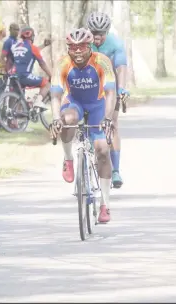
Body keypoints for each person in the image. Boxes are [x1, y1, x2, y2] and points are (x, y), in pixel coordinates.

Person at [49, 28, 117, 223]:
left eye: (82, 47)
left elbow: (110, 92)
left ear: (90, 47)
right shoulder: (62, 63)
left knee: (102, 150)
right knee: (67, 120)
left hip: (98, 105)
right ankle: (69, 158)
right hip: (74, 103)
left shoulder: (102, 61)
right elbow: (55, 95)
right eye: (73, 47)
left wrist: (108, 118)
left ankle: (105, 204)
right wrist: (55, 118)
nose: (77, 52)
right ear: (68, 48)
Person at [87, 11, 129, 189]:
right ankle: (90, 158)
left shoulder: (115, 43)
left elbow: (121, 68)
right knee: (89, 125)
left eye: (101, 35)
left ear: (106, 32)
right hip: (89, 87)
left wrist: (122, 88)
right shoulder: (84, 42)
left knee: (112, 124)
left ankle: (116, 170)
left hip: (110, 87)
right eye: (94, 35)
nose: (97, 39)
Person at [11, 26, 52, 109]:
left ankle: (17, 119)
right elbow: (42, 64)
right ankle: (38, 102)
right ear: (32, 37)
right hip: (25, 76)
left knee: (20, 97)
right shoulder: (32, 48)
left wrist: (43, 45)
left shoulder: (16, 46)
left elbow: (29, 51)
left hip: (14, 76)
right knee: (46, 84)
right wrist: (51, 74)